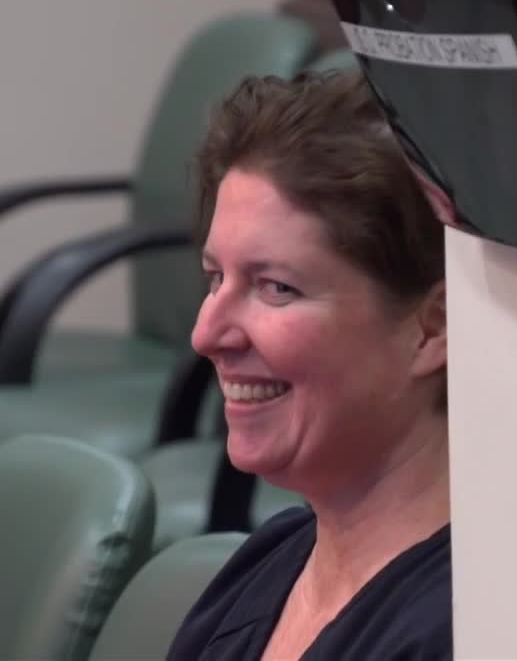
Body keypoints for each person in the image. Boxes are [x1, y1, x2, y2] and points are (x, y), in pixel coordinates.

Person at [167, 68, 452, 660]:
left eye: (275, 288)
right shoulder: (260, 570)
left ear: (433, 328)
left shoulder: (461, 632)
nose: (206, 334)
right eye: (214, 278)